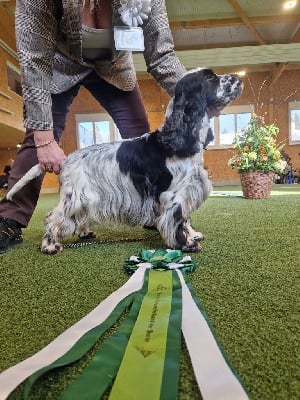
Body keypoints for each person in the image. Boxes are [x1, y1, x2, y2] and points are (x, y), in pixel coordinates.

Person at [0, 0, 190, 254]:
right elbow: (34, 62)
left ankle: (157, 210)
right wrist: (44, 140)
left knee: (142, 140)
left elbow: (162, 55)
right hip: (58, 66)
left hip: (114, 69)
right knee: (36, 140)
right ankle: (9, 219)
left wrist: (193, 96)